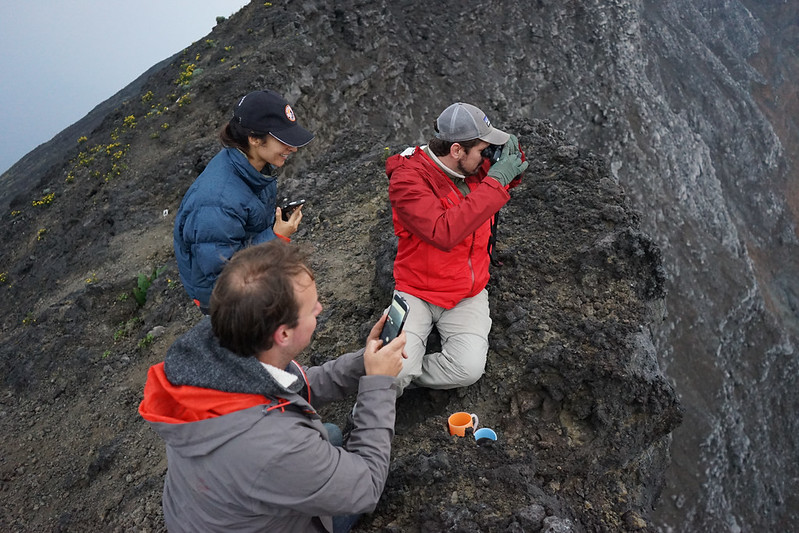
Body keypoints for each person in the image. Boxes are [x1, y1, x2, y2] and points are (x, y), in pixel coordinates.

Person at [139, 240, 407, 532]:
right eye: (312, 308)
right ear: (283, 334)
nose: (320, 307)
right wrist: (379, 385)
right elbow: (366, 487)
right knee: (351, 464)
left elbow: (298, 386)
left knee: (328, 434)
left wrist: (366, 362)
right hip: (262, 485)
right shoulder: (277, 446)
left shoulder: (221, 352)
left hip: (210, 509)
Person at [385, 102, 528, 394]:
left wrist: (508, 155)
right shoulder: (407, 180)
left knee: (467, 368)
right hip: (417, 291)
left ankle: (410, 371)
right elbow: (443, 230)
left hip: (467, 292)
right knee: (392, 372)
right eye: (482, 150)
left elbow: (511, 174)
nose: (486, 157)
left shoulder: (472, 166)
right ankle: (387, 383)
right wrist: (496, 180)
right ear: (456, 151)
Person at [173, 89, 313, 313]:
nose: (293, 148)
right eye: (284, 140)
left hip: (251, 274)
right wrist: (276, 237)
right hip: (226, 301)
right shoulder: (216, 202)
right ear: (255, 139)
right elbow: (223, 276)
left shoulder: (252, 167)